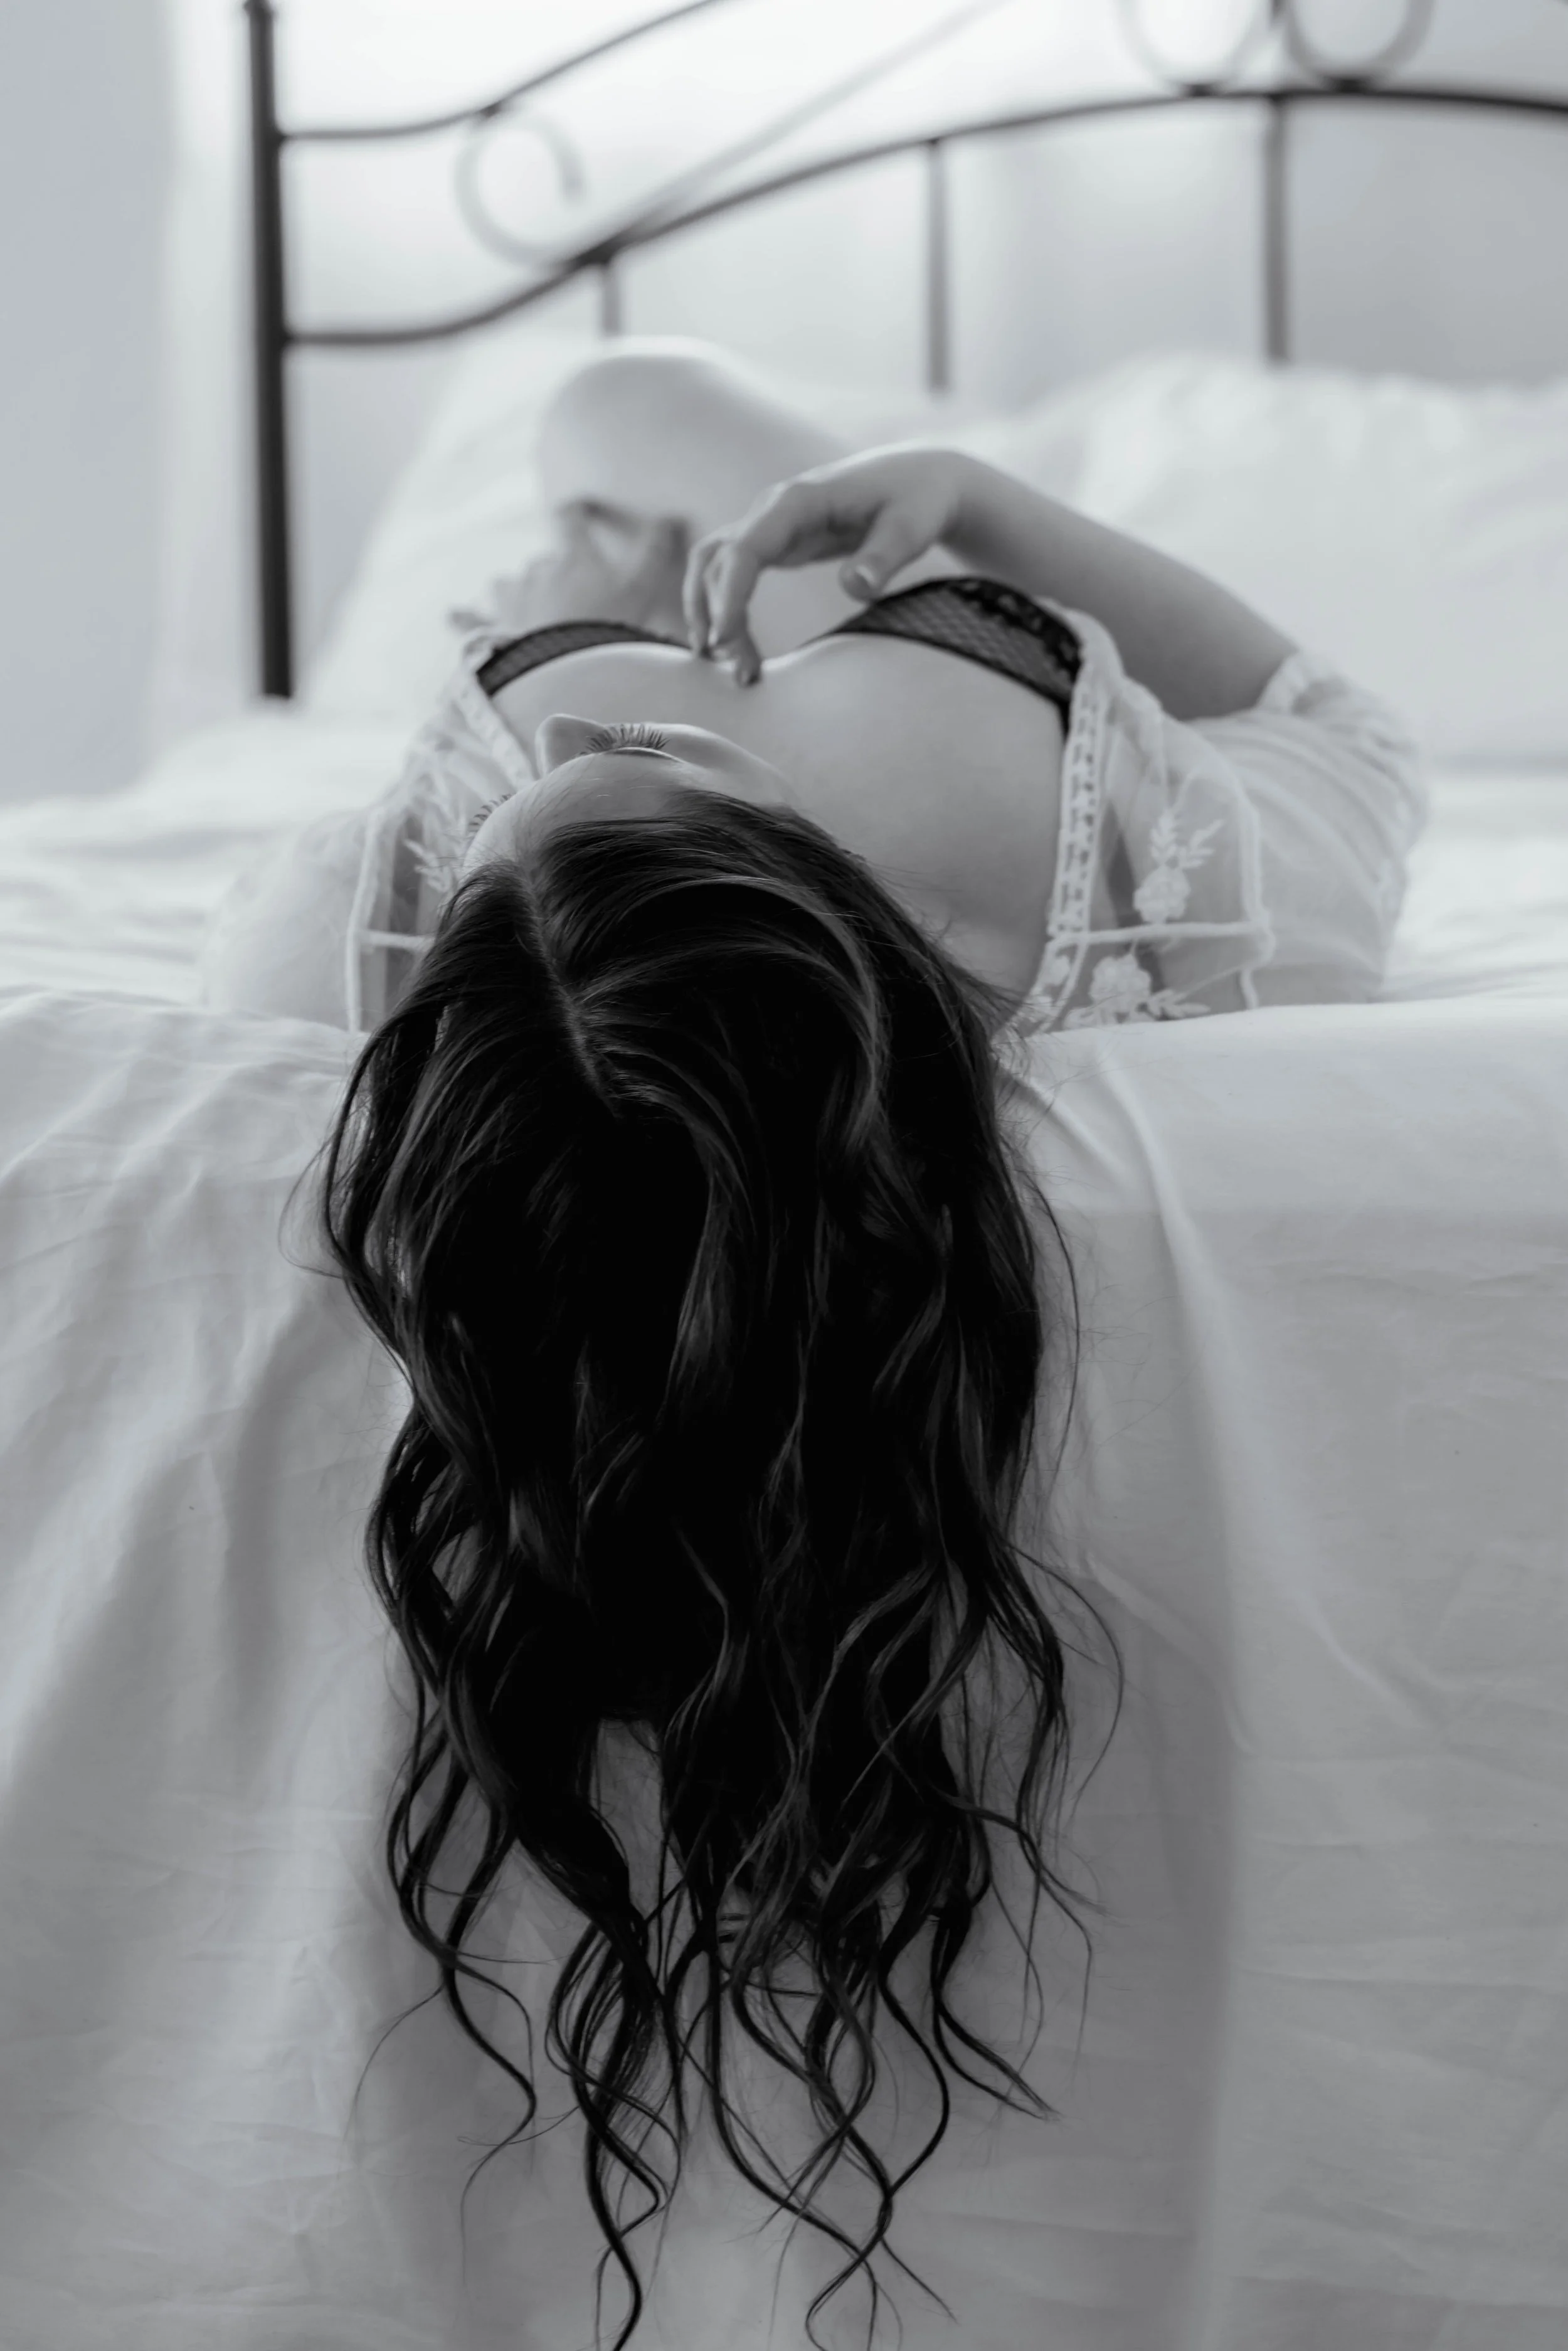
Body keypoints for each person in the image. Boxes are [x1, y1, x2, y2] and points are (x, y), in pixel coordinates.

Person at [260, 348, 1426, 2348]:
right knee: (617, 402)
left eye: (559, 774)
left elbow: (321, 955)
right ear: (797, 919)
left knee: (599, 413)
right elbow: (1345, 736)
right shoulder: (1156, 901)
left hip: (666, 580)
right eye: (648, 764)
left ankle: (595, 548)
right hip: (873, 557)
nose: (621, 718)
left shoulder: (373, 935)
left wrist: (537, 623)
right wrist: (971, 508)